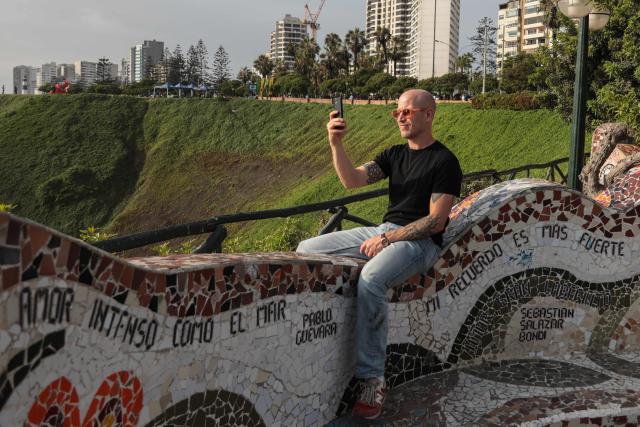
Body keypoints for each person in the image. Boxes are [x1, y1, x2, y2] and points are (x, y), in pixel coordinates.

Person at [296, 89, 462, 419]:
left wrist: (387, 240)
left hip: (419, 244)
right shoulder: (394, 155)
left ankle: (372, 379)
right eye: (397, 112)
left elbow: (436, 221)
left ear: (428, 114)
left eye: (408, 111)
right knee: (307, 249)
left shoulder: (445, 161)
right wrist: (335, 143)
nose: (400, 116)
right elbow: (352, 180)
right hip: (384, 231)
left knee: (371, 279)